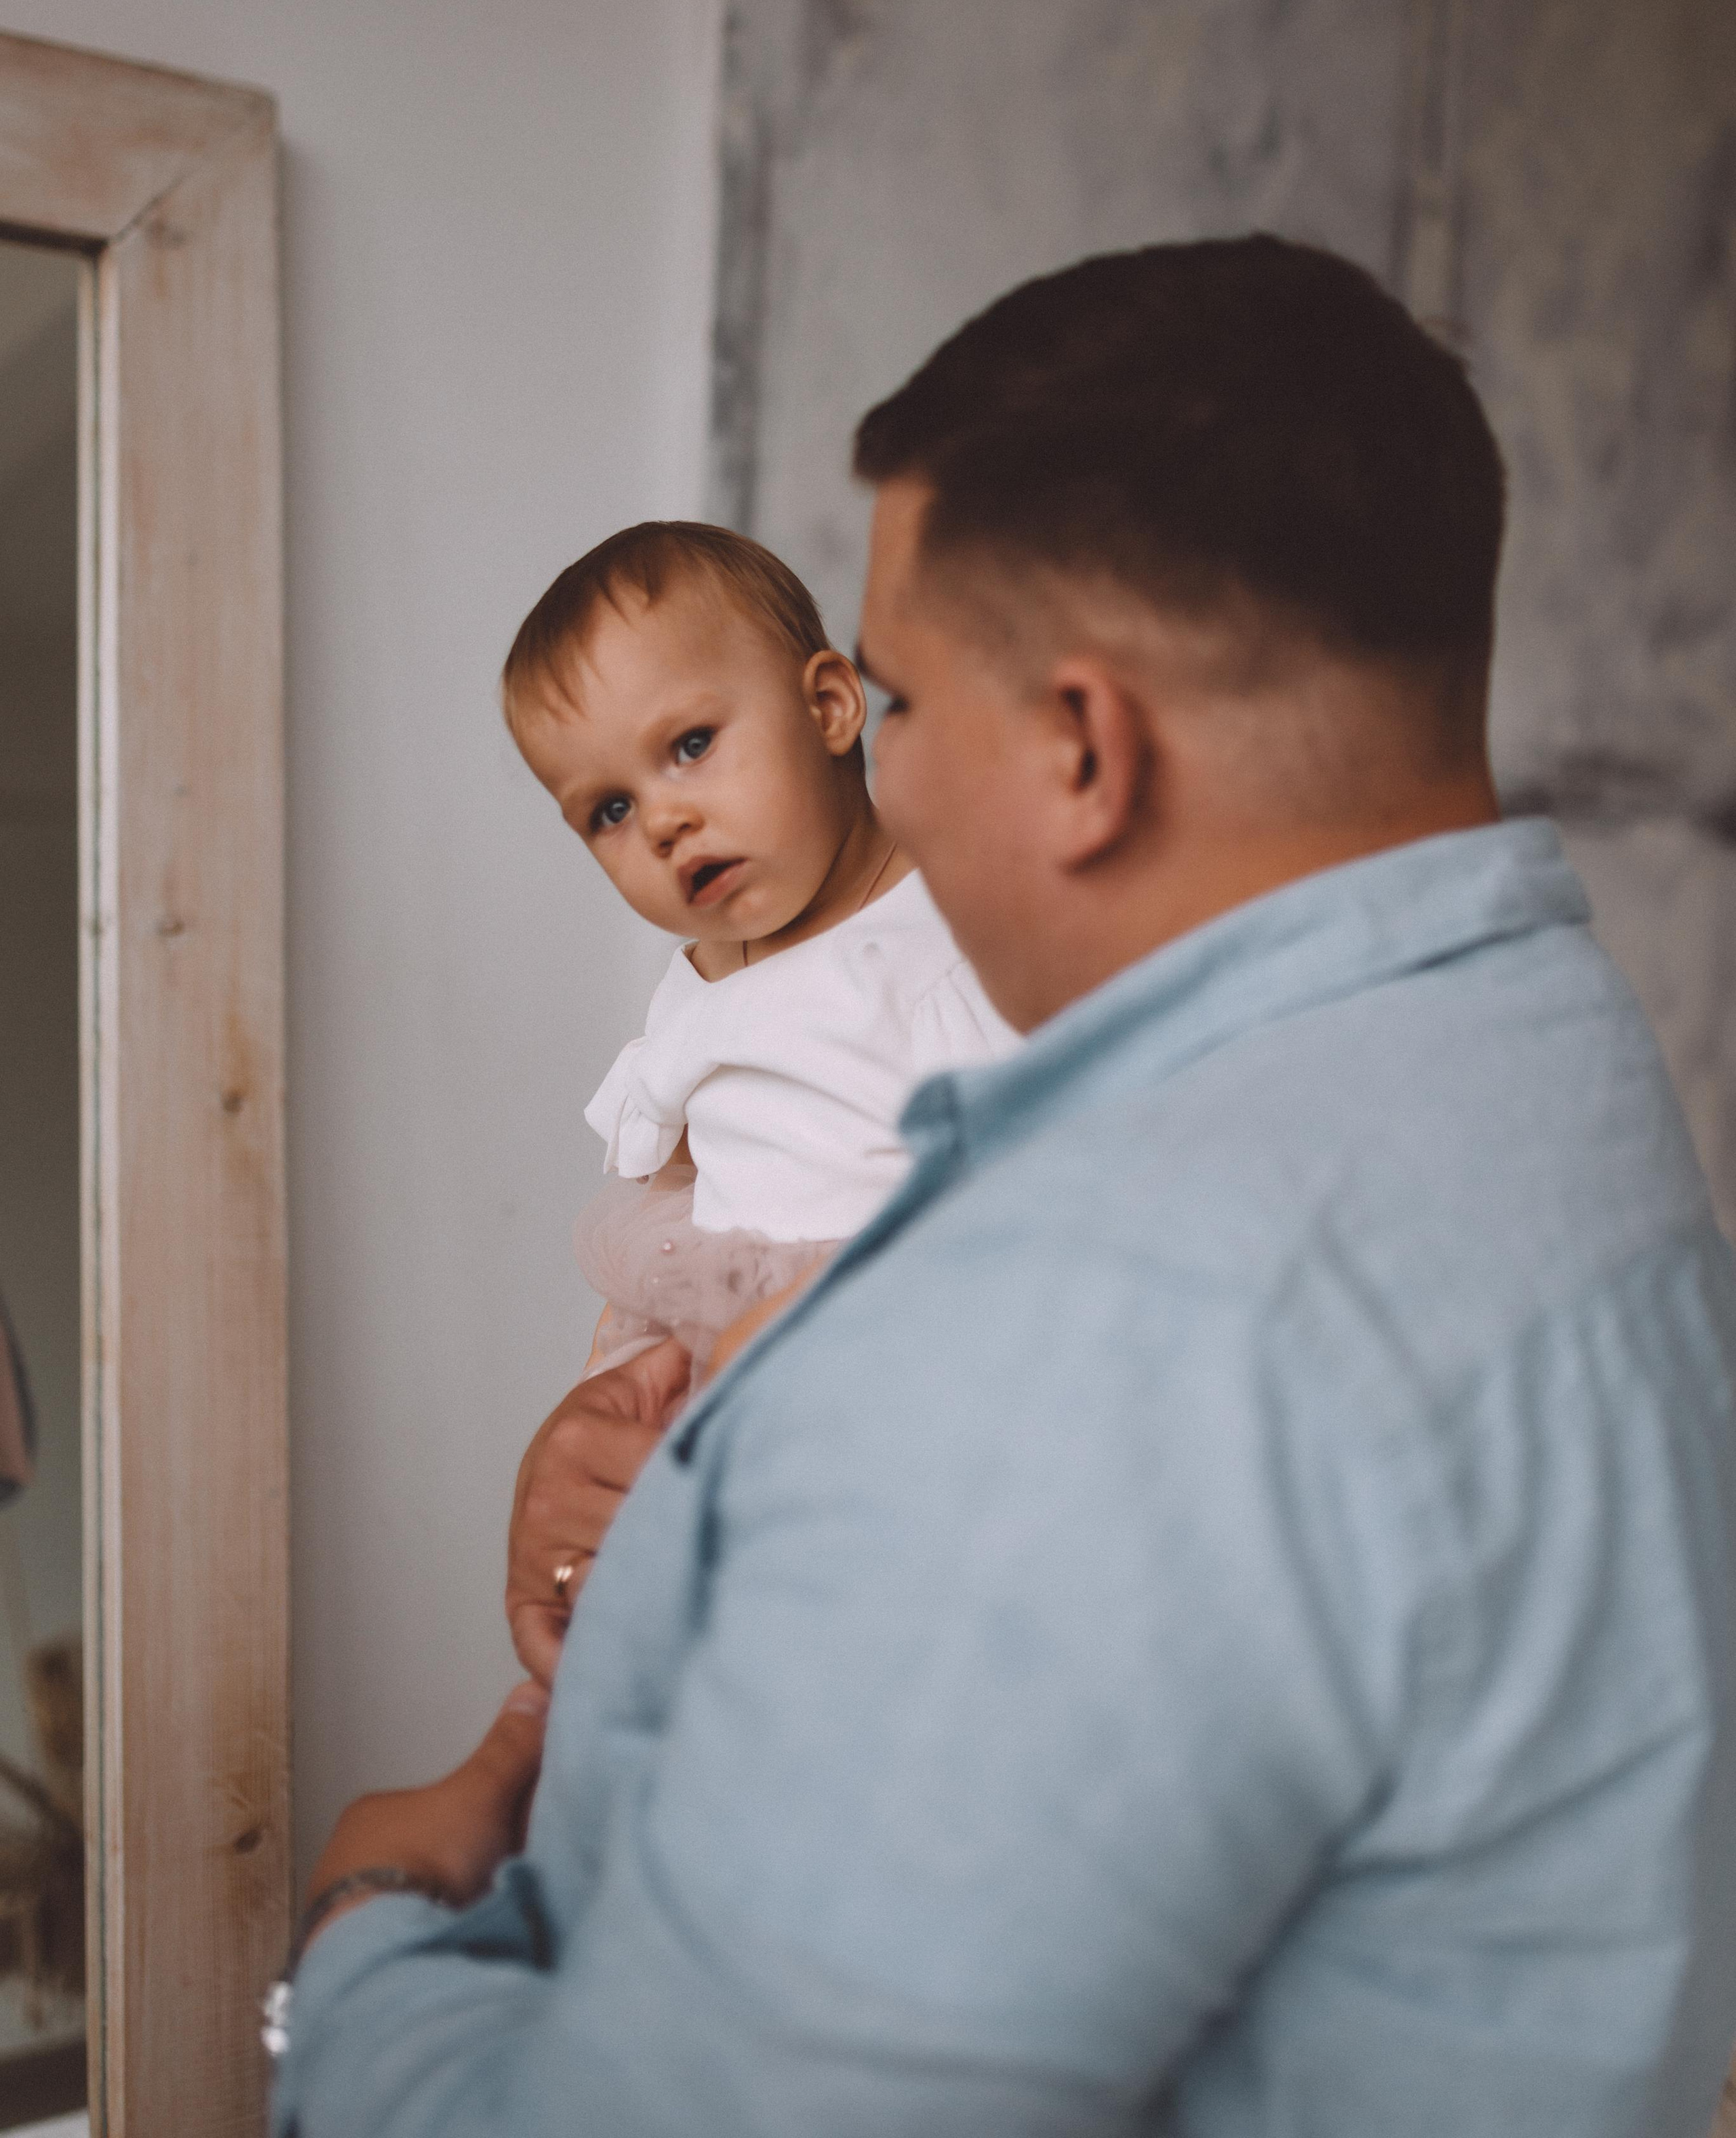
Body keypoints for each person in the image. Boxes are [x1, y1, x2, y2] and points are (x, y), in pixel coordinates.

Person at [275, 236, 1736, 2138]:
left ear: (1079, 747)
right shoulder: (1557, 1084)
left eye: (892, 703)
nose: (888, 773)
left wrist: (365, 1935)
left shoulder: (1104, 1322)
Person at [501, 521, 1017, 1404]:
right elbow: (678, 1195)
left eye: (691, 745)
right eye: (611, 809)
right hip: (733, 1365)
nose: (663, 821)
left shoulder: (947, 937)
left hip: (909, 1350)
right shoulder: (703, 977)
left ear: (828, 707)